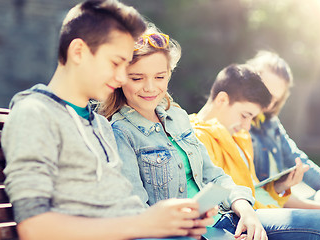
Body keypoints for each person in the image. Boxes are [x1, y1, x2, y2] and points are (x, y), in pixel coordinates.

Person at [1, 1, 216, 239]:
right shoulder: (35, 113)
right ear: (78, 52)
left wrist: (177, 222)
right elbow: (34, 228)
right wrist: (145, 224)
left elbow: (124, 208)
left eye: (125, 66)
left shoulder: (100, 125)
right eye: (115, 63)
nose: (122, 76)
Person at [102, 25, 267, 240]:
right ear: (120, 78)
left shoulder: (178, 117)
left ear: (169, 74)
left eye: (159, 77)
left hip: (224, 218)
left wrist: (246, 210)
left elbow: (215, 176)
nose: (150, 88)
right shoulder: (120, 132)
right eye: (137, 78)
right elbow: (138, 215)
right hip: (185, 234)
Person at [190, 63, 320, 239]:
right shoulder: (196, 136)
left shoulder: (240, 137)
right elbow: (220, 197)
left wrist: (280, 187)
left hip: (264, 209)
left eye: (251, 118)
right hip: (240, 217)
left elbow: (254, 188)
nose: (247, 126)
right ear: (221, 100)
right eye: (244, 116)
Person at [247, 50, 320, 211]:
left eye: (275, 98)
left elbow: (295, 157)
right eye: (265, 92)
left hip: (284, 200)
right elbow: (255, 191)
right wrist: (318, 206)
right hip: (269, 206)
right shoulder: (238, 127)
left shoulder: (270, 123)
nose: (268, 103)